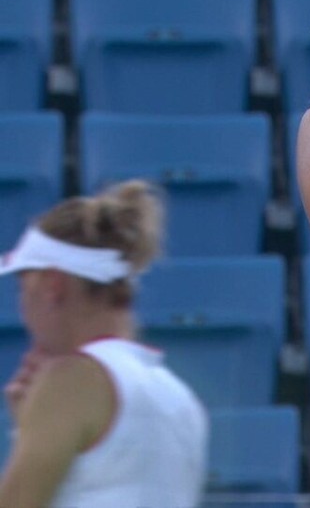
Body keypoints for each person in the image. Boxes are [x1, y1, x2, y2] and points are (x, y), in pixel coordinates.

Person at [0, 180, 208, 508]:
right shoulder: (183, 401)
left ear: (52, 286)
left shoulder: (69, 381)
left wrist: (26, 432)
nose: (23, 310)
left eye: (23, 289)